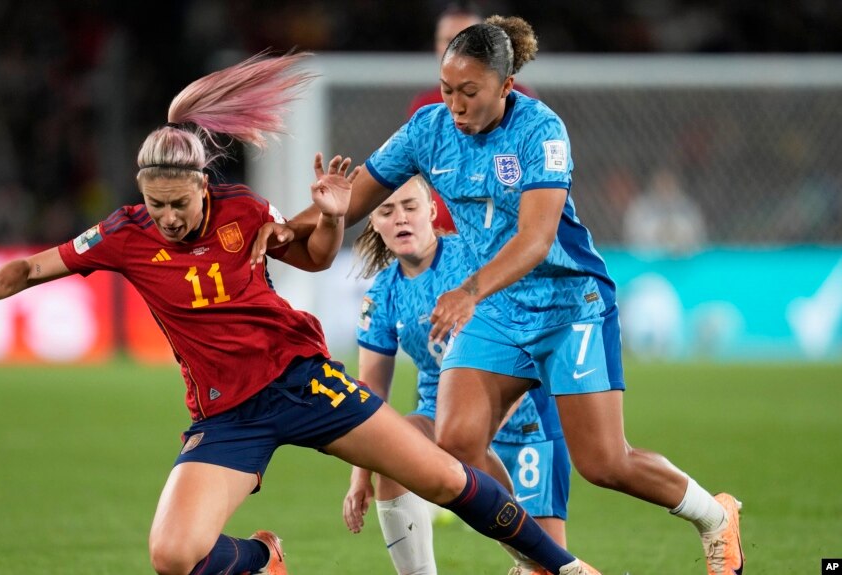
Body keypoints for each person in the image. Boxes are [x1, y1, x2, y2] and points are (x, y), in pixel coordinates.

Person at [0, 52, 599, 575]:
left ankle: (565, 568)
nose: (166, 217)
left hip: (301, 382)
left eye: (178, 202)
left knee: (442, 476)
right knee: (173, 556)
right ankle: (263, 558)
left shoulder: (244, 213)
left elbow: (313, 257)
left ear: (203, 184)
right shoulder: (123, 232)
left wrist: (336, 216)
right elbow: (32, 266)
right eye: (155, 203)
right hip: (226, 414)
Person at [255, 16, 744, 575]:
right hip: (500, 307)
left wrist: (467, 291)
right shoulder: (427, 129)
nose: (456, 106)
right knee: (458, 442)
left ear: (506, 87)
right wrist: (285, 232)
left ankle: (715, 518)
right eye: (446, 91)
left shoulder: (542, 131)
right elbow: (350, 199)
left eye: (470, 93)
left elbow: (536, 239)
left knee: (605, 463)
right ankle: (538, 560)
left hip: (569, 302)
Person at [342, 175, 571, 575]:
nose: (400, 219)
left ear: (431, 212)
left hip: (525, 420)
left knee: (545, 562)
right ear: (374, 222)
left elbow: (525, 337)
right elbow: (370, 395)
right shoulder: (381, 296)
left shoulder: (474, 260)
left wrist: (482, 426)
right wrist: (360, 476)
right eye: (386, 210)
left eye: (410, 207)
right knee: (391, 448)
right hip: (443, 418)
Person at [407, 2, 538, 235]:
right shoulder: (425, 107)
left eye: (466, 40)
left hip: (503, 232)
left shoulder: (519, 99)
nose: (455, 50)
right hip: (442, 234)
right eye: (447, 40)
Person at [623, 166, 707, 255]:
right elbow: (632, 235)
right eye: (662, 183)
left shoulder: (687, 206)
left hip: (682, 258)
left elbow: (698, 234)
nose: (665, 188)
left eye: (669, 184)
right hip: (648, 258)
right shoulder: (641, 207)